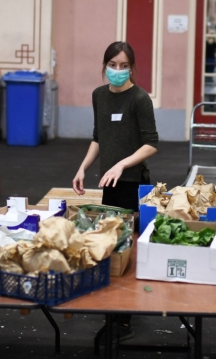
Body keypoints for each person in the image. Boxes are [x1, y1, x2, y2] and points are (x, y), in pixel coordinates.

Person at [72, 41, 159, 342]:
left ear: (132, 67)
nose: (118, 71)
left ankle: (123, 320)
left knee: (126, 248)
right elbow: (99, 137)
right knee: (110, 247)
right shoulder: (99, 95)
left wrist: (122, 165)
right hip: (108, 184)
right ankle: (115, 310)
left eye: (124, 66)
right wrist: (83, 167)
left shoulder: (140, 98)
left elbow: (151, 143)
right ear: (105, 65)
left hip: (132, 184)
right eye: (113, 65)